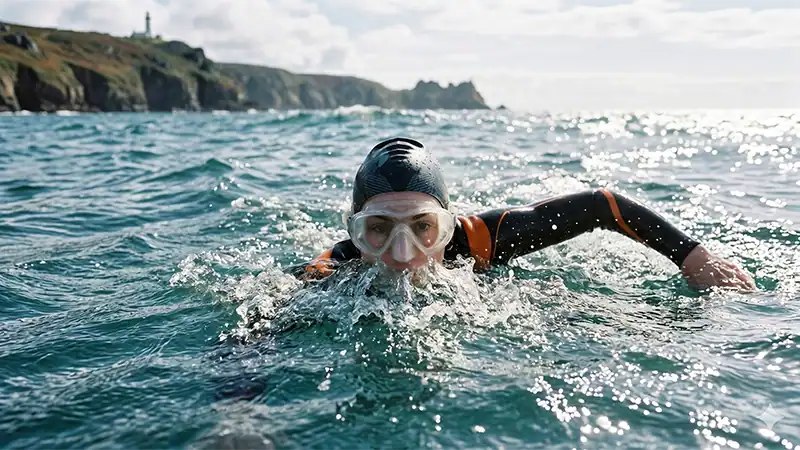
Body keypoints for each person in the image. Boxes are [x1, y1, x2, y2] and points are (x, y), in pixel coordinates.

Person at [290, 137, 756, 291]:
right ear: (354, 232)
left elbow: (601, 205)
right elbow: (256, 330)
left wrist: (694, 259)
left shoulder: (479, 239)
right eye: (378, 230)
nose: (403, 253)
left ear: (448, 224)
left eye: (423, 228)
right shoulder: (333, 268)